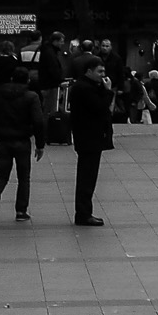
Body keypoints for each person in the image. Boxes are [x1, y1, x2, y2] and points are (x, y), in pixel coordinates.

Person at [0, 65, 47, 222]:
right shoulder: (31, 97)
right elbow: (39, 121)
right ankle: (21, 211)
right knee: (23, 177)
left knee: (2, 175)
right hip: (22, 141)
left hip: (3, 141)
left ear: (11, 78)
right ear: (28, 80)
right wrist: (40, 144)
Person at [66, 58, 114, 226]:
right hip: (89, 137)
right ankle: (83, 213)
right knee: (87, 177)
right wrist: (108, 91)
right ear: (89, 71)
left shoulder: (87, 86)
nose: (103, 75)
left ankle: (85, 211)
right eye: (99, 72)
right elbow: (100, 107)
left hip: (89, 136)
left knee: (88, 176)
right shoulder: (84, 88)